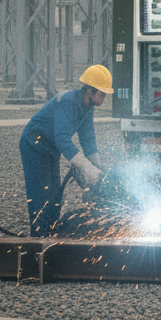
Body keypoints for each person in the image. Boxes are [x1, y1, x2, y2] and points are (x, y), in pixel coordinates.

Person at [19, 64, 113, 237]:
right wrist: (85, 167)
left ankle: (52, 234)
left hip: (50, 148)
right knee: (41, 195)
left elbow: (88, 139)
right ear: (89, 90)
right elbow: (62, 138)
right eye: (102, 93)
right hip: (34, 144)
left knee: (54, 195)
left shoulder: (87, 107)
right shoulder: (69, 102)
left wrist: (97, 168)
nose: (104, 97)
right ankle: (39, 238)